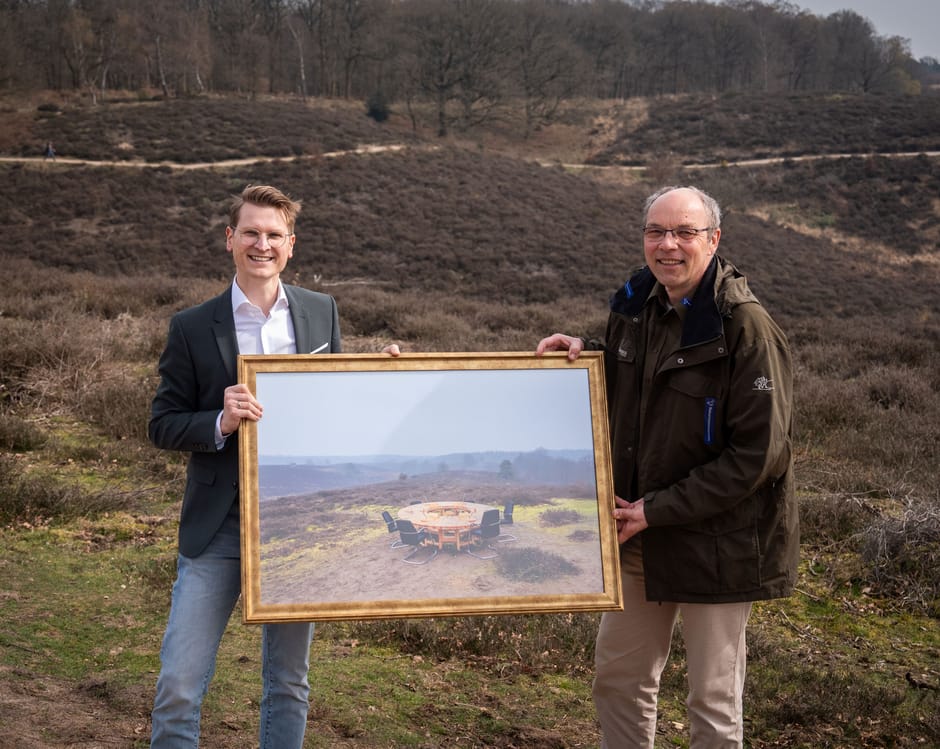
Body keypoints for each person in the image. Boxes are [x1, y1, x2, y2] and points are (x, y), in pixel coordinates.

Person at [536, 185, 798, 748]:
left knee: (713, 702)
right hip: (640, 535)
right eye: (656, 232)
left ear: (714, 239)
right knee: (619, 680)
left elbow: (758, 456)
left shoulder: (746, 328)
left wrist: (658, 509)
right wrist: (585, 355)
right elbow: (637, 387)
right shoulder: (637, 305)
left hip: (717, 546)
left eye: (684, 232)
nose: (668, 245)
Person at [149, 184, 342, 748]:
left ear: (291, 245)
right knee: (179, 686)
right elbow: (163, 423)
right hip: (219, 527)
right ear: (230, 239)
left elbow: (335, 403)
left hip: (295, 523)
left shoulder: (321, 311)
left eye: (274, 235)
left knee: (289, 683)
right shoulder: (191, 326)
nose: (263, 244)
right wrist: (220, 421)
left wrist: (380, 378)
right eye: (251, 233)